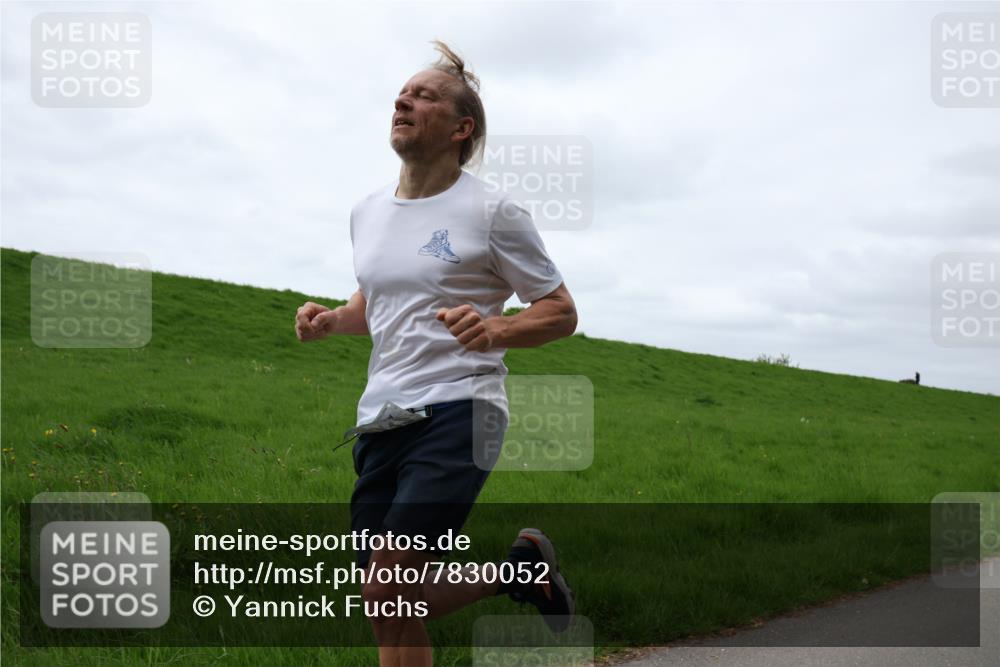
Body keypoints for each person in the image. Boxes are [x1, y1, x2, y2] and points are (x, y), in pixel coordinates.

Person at [295, 40, 578, 667]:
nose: (404, 100)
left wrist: (495, 331)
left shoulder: (493, 211)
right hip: (380, 418)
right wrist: (328, 321)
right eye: (403, 93)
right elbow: (370, 308)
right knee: (389, 611)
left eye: (424, 96)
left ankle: (520, 574)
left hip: (460, 409)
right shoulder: (367, 212)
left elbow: (560, 311)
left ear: (461, 127)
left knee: (385, 587)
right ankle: (520, 573)